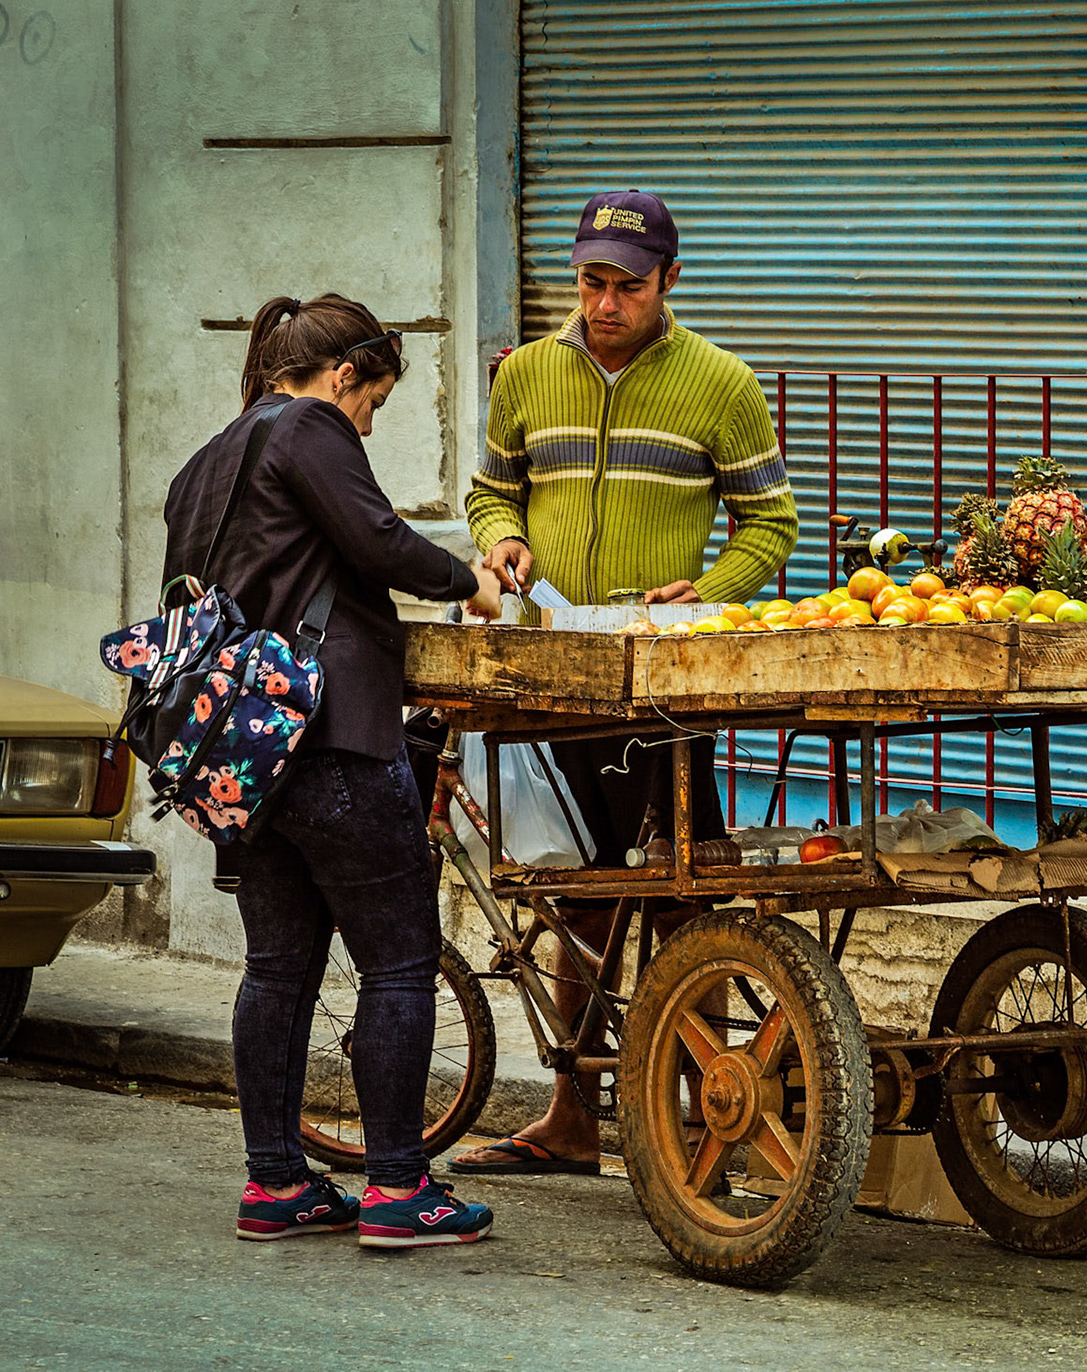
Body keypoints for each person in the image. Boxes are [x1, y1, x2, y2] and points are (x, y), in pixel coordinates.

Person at [454, 190, 798, 1173]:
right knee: (576, 891)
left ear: (670, 283)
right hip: (557, 664)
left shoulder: (721, 384)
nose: (606, 305)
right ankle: (571, 1116)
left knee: (682, 894)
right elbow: (491, 489)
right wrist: (502, 537)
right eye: (593, 282)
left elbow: (772, 523)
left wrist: (711, 591)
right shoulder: (525, 376)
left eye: (628, 287)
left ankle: (703, 1118)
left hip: (666, 677)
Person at [162, 293, 503, 1247]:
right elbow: (375, 540)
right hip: (335, 737)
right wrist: (466, 580)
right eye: (373, 405)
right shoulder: (308, 425)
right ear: (344, 374)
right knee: (397, 960)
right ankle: (400, 1190)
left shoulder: (204, 463)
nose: (365, 424)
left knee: (277, 967)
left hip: (245, 763)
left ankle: (276, 1184)